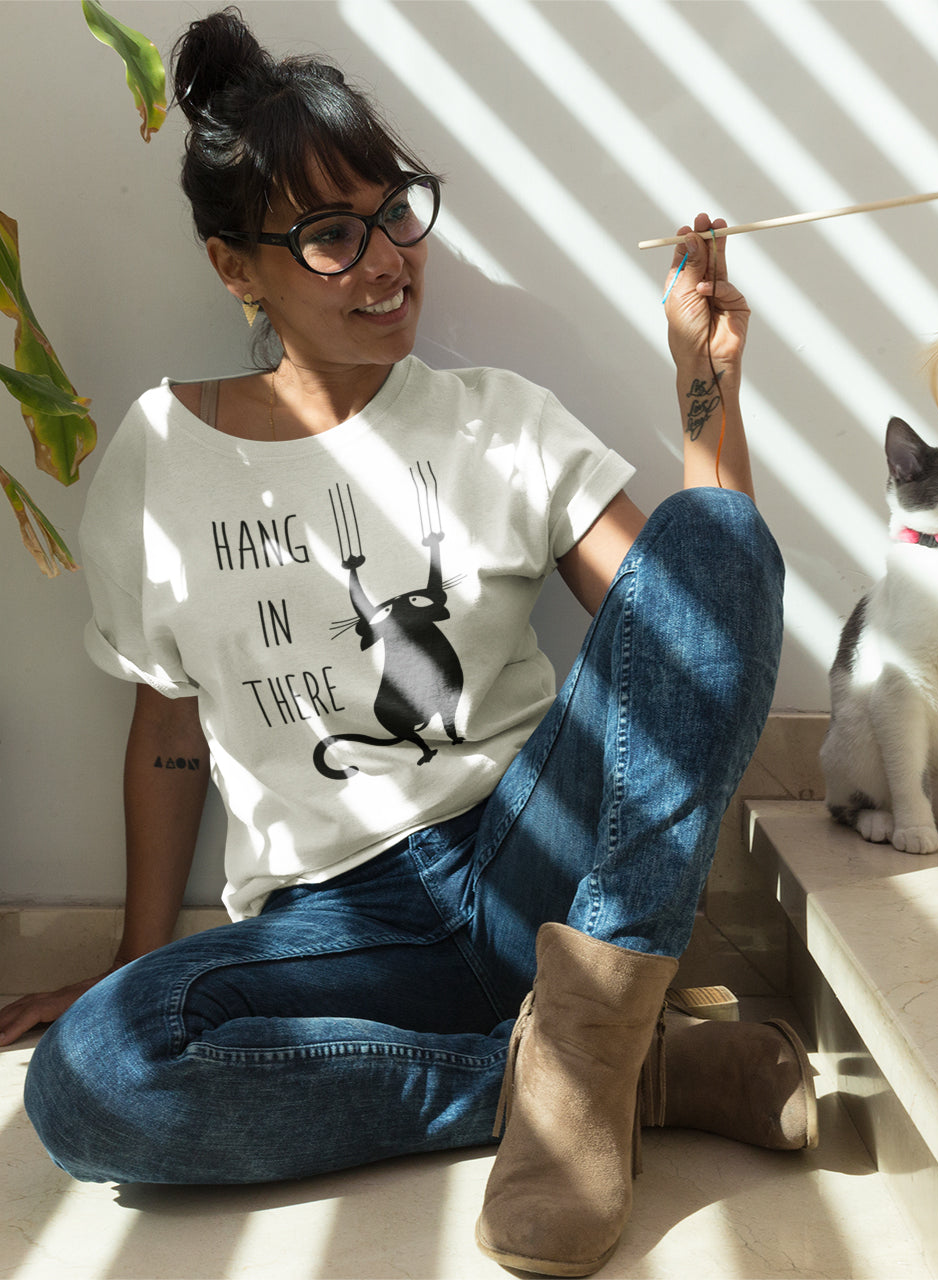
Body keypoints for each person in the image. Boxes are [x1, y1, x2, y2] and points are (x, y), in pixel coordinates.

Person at [0, 9, 812, 1276]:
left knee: (715, 530)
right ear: (234, 268)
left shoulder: (497, 421)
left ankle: (590, 1035)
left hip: (536, 857)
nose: (386, 261)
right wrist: (134, 954)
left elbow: (695, 615)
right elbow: (167, 726)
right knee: (88, 1082)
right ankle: (602, 1078)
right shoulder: (158, 457)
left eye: (395, 213)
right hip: (336, 930)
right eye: (332, 234)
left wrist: (706, 387)